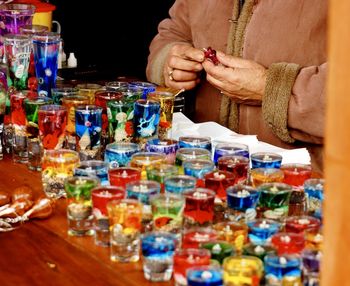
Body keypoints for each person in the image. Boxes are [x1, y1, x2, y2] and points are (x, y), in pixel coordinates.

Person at [146, 0, 327, 173]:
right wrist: (170, 61)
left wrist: (270, 88)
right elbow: (174, 32)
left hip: (307, 180)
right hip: (201, 172)